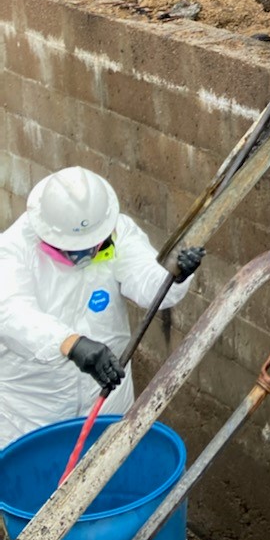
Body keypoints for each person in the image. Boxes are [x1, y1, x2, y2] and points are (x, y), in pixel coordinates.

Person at [0, 166, 204, 449]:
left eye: (91, 246)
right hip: (34, 411)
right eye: (73, 249)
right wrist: (71, 343)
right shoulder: (12, 250)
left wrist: (174, 274)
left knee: (112, 466)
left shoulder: (116, 231)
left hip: (105, 398)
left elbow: (149, 284)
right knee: (38, 474)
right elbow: (10, 314)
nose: (85, 255)